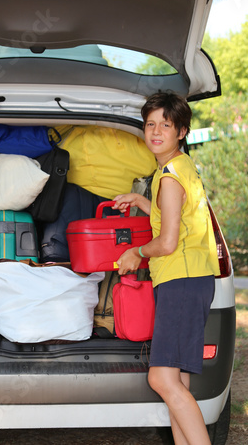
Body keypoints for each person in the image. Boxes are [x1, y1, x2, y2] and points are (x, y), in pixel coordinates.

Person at [113, 92, 220, 445]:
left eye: (166, 125)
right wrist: (144, 202)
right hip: (193, 279)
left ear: (182, 131)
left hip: (181, 280)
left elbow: (169, 242)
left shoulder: (169, 177)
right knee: (178, 382)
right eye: (150, 124)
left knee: (161, 379)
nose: (156, 131)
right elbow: (176, 216)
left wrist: (136, 252)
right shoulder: (179, 168)